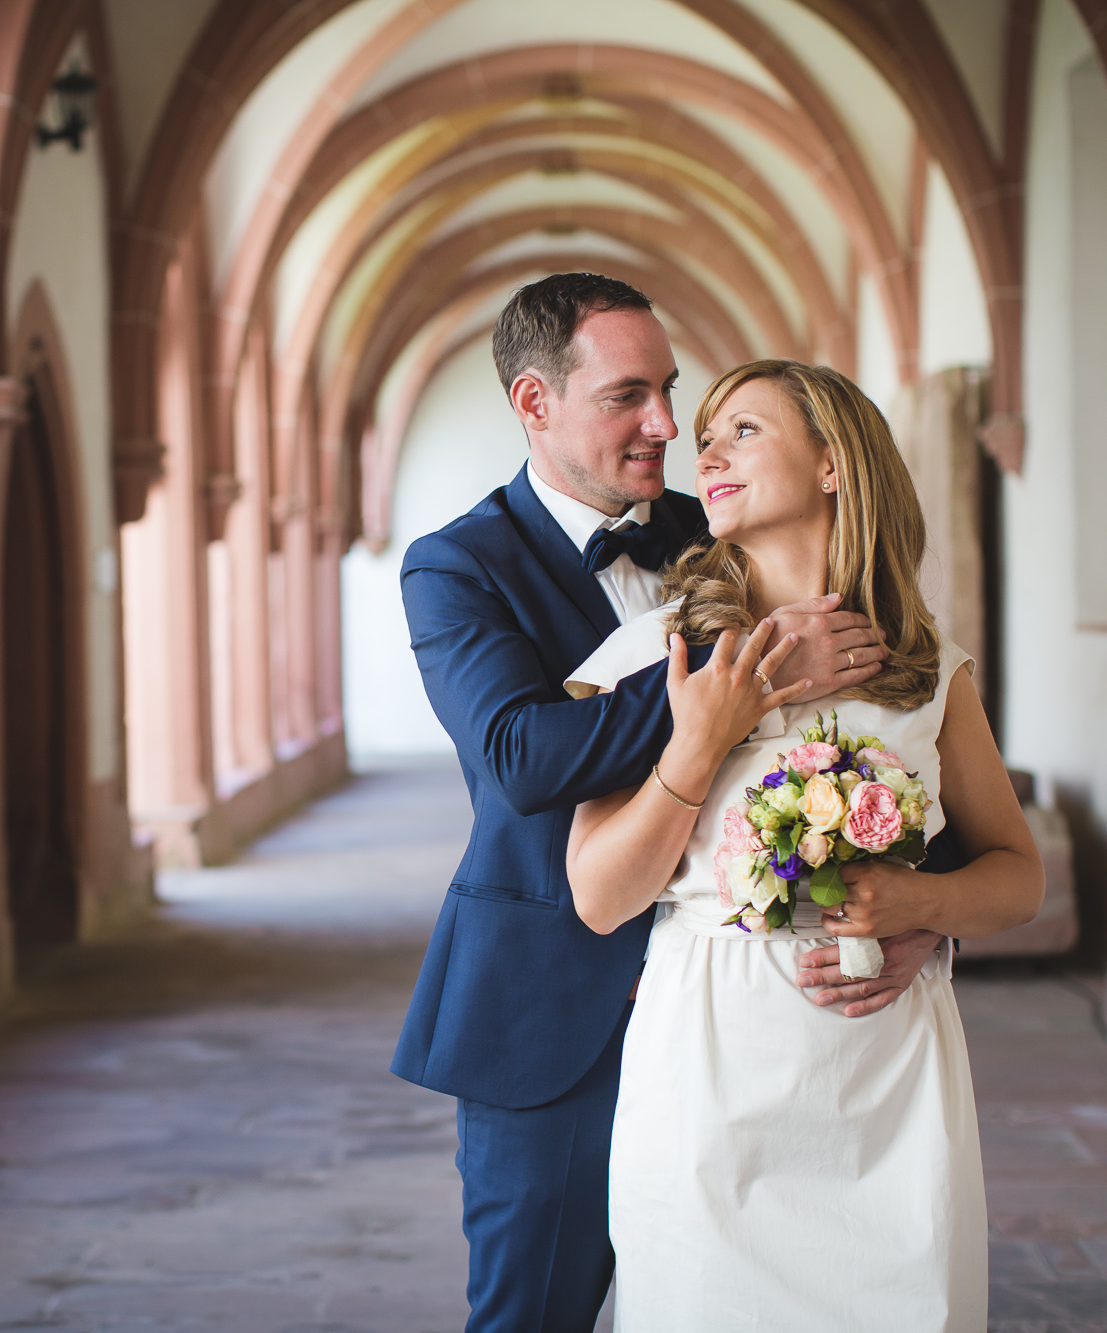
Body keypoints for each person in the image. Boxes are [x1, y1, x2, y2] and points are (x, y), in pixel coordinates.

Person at [390, 273, 945, 1333]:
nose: (665, 428)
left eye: (670, 393)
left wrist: (921, 914)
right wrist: (748, 673)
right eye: (625, 396)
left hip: (749, 1026)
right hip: (552, 1013)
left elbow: (890, 758)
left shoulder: (724, 524)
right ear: (533, 404)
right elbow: (520, 755)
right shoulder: (455, 564)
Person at [564, 359, 1046, 1330]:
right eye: (707, 435)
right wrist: (700, 740)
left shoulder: (923, 671)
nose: (706, 451)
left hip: (884, 1069)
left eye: (742, 428)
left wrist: (920, 906)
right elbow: (599, 895)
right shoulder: (655, 656)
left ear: (832, 465)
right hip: (707, 1055)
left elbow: (1016, 877)